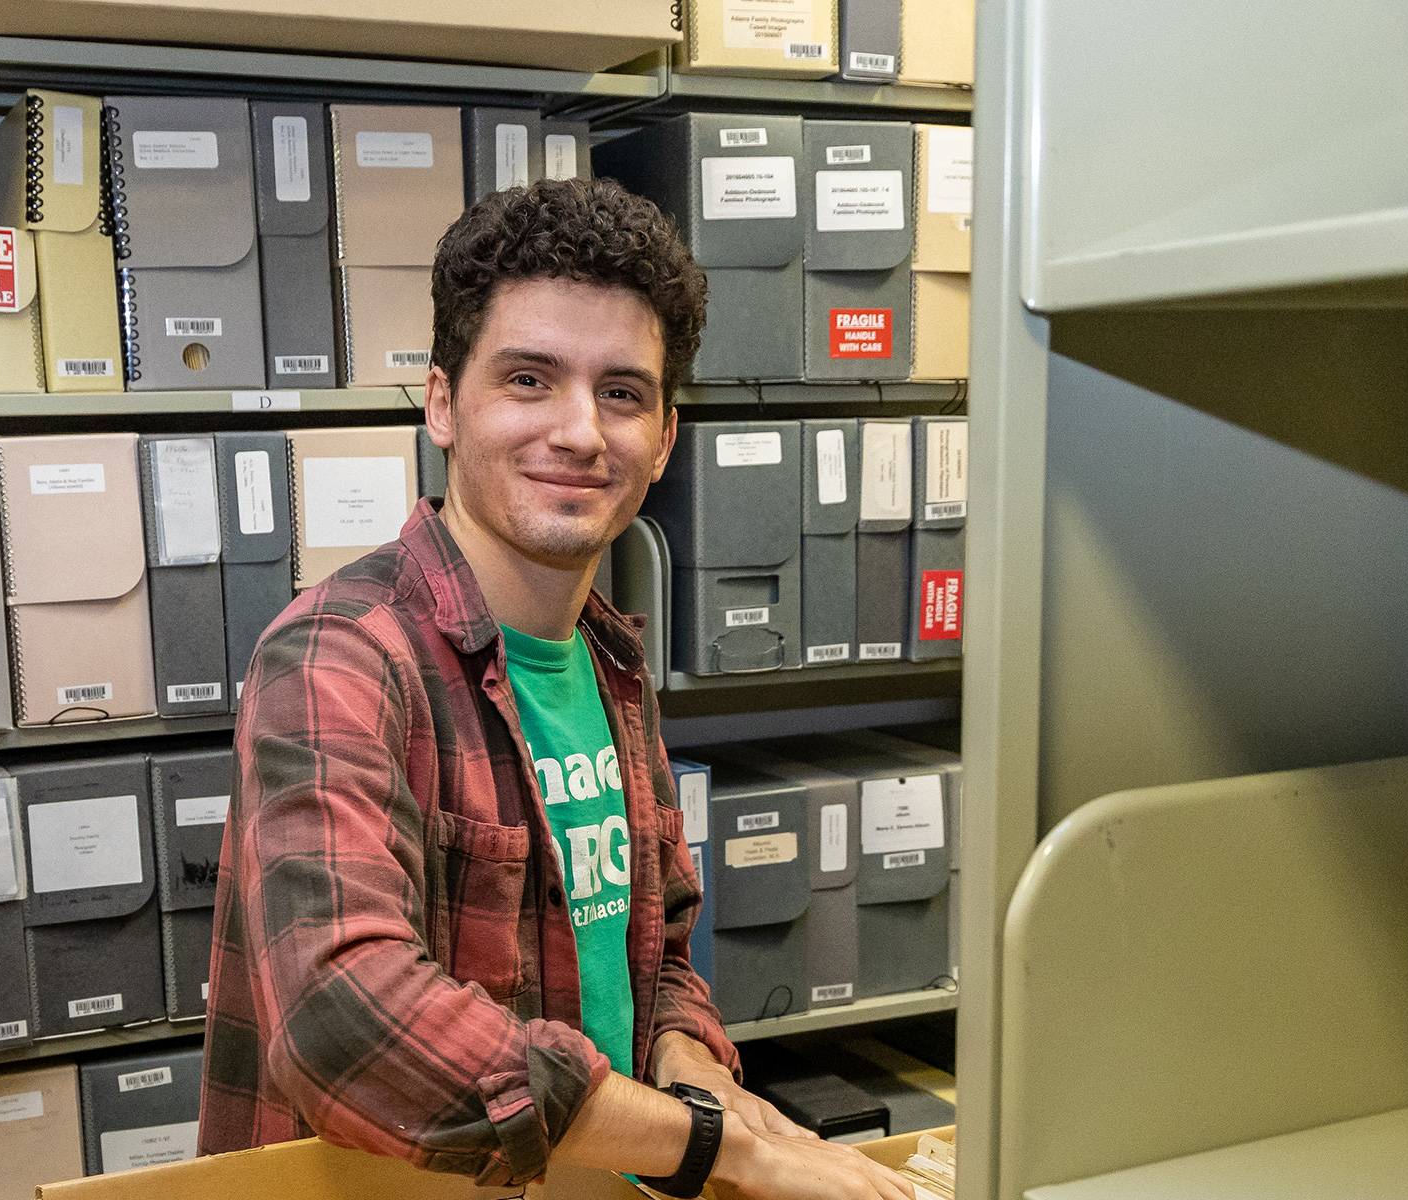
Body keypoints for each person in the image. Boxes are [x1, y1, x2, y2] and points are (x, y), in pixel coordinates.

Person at [198, 177, 912, 1200]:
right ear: (442, 402)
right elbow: (343, 1015)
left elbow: (654, 949)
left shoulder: (610, 660)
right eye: (528, 380)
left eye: (621, 392)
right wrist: (726, 1149)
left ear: (663, 437)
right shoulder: (336, 657)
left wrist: (691, 1063)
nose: (580, 432)